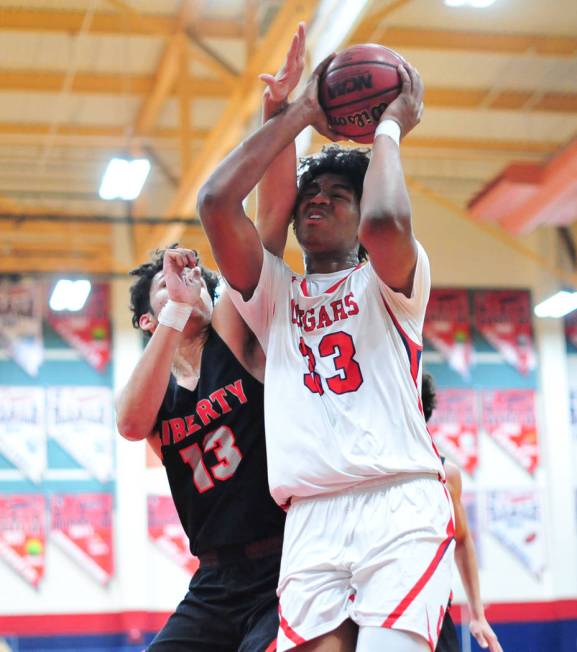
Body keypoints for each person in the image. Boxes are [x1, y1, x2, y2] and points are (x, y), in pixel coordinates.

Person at [198, 25, 454, 652]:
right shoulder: (273, 296)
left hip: (398, 504)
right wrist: (302, 112)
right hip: (310, 519)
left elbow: (389, 219)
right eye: (311, 194)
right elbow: (215, 202)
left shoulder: (391, 281)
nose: (319, 202)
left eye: (340, 197)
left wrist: (389, 128)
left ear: (360, 217)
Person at [115, 246, 285, 651]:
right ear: (147, 319)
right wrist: (175, 308)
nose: (184, 284)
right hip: (215, 579)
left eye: (196, 282)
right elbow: (130, 424)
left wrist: (190, 291)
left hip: (284, 561)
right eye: (166, 285)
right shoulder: (154, 393)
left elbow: (250, 260)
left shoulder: (233, 338)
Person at [421, 374, 503, 652]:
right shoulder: (363, 469)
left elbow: (463, 540)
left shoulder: (445, 473)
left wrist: (477, 614)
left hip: (432, 609)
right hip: (373, 605)